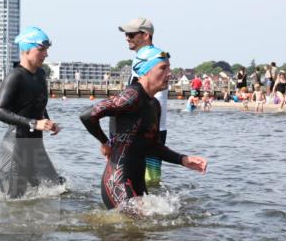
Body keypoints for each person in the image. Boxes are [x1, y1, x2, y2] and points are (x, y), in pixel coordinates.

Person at [79, 46, 206, 213]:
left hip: (137, 182)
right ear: (146, 71)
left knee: (143, 234)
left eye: (169, 67)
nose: (169, 73)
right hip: (118, 182)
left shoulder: (154, 104)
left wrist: (182, 159)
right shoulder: (132, 96)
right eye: (163, 68)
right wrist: (104, 142)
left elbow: (153, 146)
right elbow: (88, 115)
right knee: (129, 234)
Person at [0, 26, 61, 198]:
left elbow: (37, 104)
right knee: (15, 203)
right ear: (26, 50)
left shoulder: (40, 74)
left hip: (36, 148)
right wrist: (33, 123)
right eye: (41, 50)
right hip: (15, 148)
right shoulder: (15, 76)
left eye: (46, 50)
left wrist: (47, 121)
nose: (46, 54)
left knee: (58, 190)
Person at [116, 17, 169, 185]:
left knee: (147, 182)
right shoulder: (141, 59)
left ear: (145, 35)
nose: (127, 38)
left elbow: (151, 97)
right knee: (141, 181)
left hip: (148, 130)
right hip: (143, 129)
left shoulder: (154, 60)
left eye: (131, 34)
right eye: (126, 35)